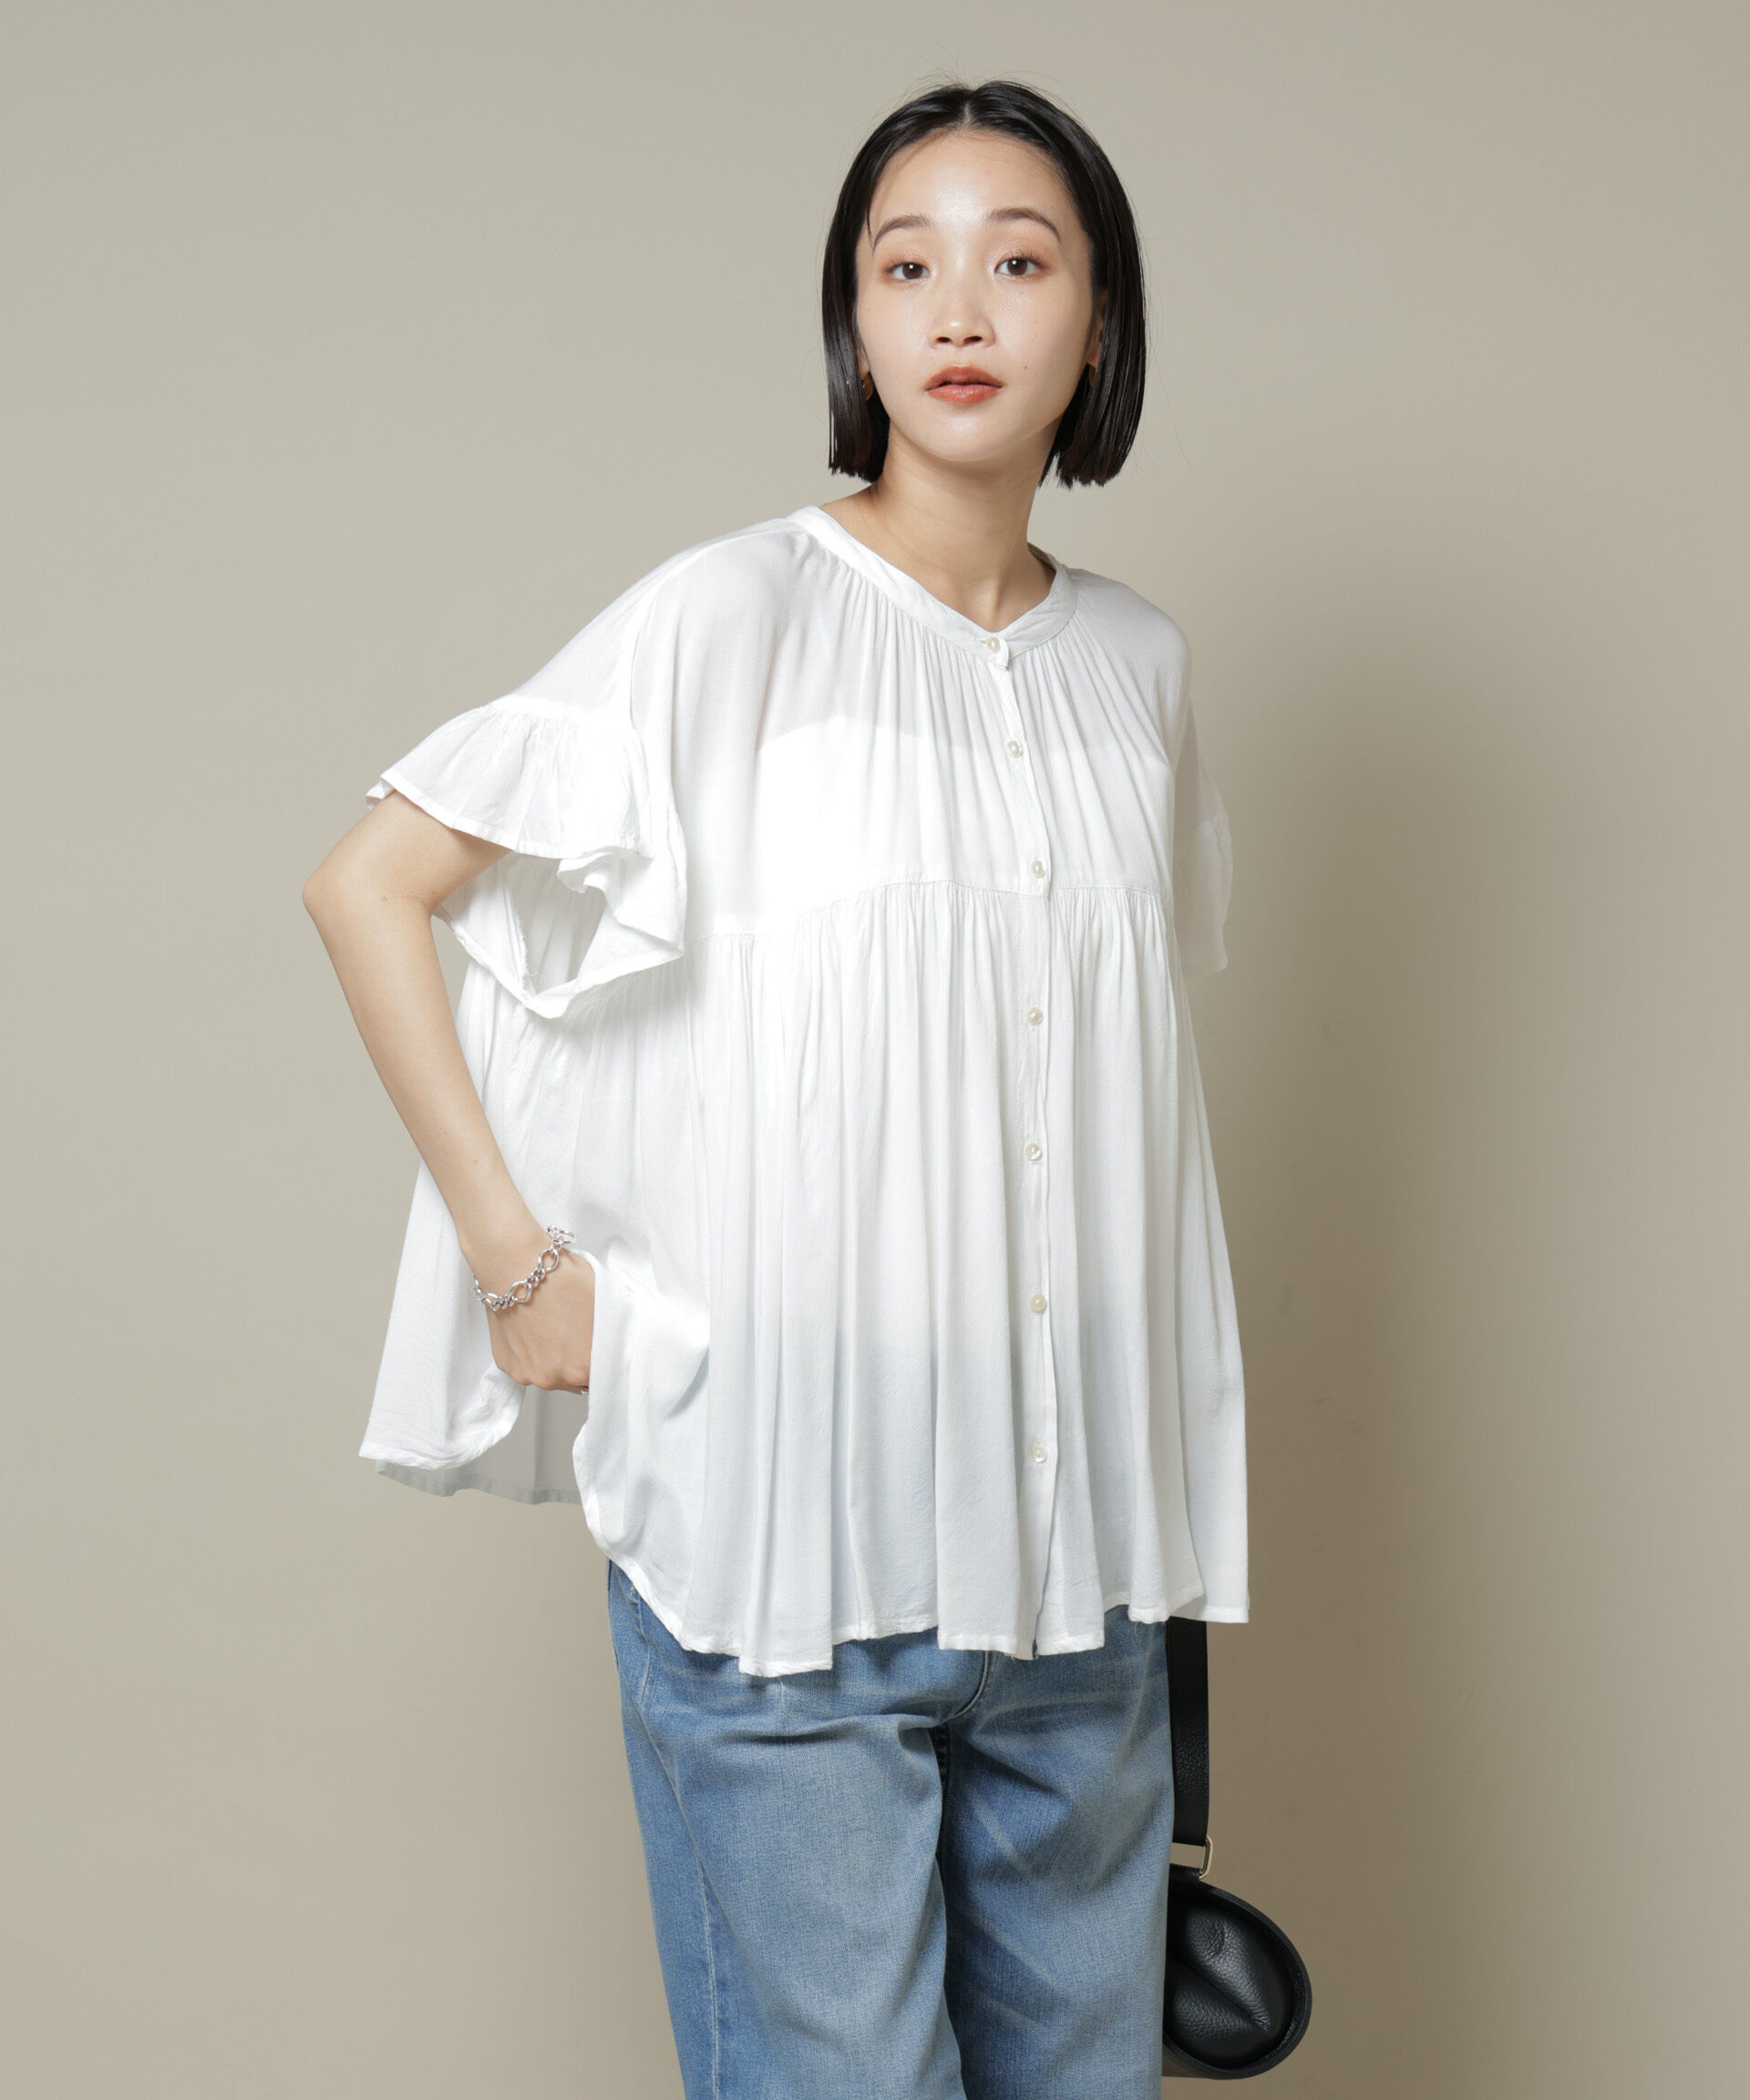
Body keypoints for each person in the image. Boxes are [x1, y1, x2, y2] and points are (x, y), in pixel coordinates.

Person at [304, 76, 1246, 2100]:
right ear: (855, 320)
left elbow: (1101, 1111)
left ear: (1101, 316)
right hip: (786, 1567)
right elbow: (372, 884)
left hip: (1076, 1598)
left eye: (1019, 260)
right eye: (906, 266)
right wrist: (514, 1261)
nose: (959, 309)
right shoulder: (727, 618)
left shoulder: (1141, 673)